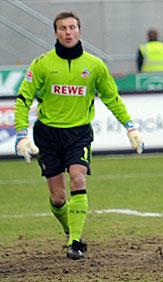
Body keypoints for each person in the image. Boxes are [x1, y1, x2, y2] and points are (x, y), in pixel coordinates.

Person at [14, 12, 144, 260]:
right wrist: (21, 133)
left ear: (79, 31)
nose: (68, 32)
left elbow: (111, 98)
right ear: (56, 33)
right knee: (58, 196)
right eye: (62, 28)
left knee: (78, 178)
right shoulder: (42, 64)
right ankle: (69, 229)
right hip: (48, 134)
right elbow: (23, 99)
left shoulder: (94, 65)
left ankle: (75, 242)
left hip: (79, 134)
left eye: (72, 27)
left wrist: (130, 126)